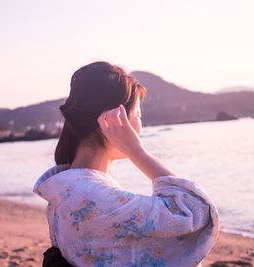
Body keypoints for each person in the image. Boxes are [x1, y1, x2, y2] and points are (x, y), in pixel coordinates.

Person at [33, 61, 219, 267]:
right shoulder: (92, 197)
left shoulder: (65, 188)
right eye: (138, 116)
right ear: (113, 120)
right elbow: (193, 212)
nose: (140, 126)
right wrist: (137, 151)